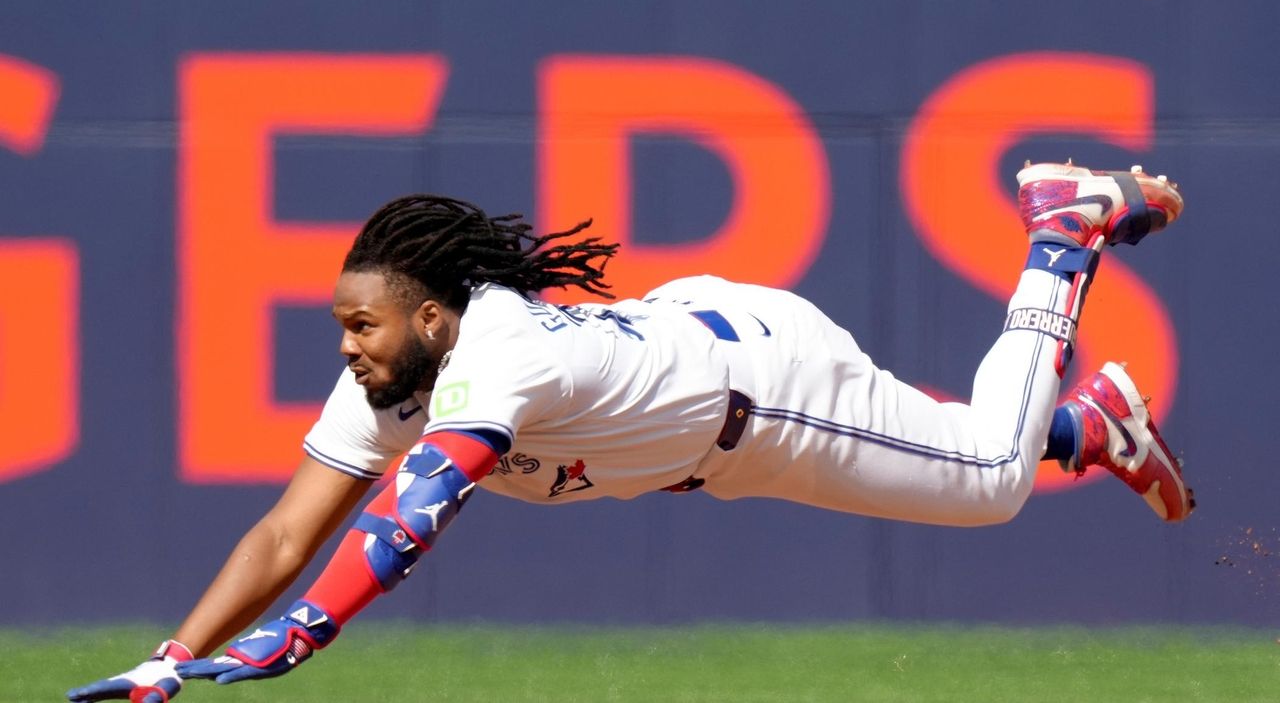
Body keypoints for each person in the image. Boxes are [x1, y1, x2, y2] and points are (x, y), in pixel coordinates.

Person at [68, 161, 1193, 702]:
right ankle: (1078, 424)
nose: (347, 343)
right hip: (717, 387)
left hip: (763, 387)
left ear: (428, 315)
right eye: (341, 324)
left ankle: (1060, 233)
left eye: (361, 321)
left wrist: (303, 634)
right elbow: (280, 533)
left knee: (987, 481)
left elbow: (411, 514)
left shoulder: (498, 350)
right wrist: (171, 660)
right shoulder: (389, 377)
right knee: (978, 449)